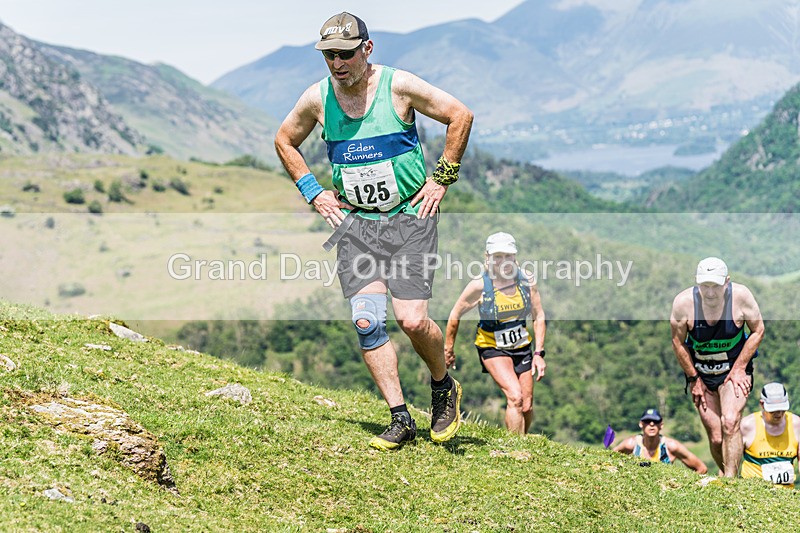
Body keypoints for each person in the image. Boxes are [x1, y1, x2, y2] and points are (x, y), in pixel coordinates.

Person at [274, 12, 473, 451]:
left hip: (408, 217)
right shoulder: (317, 99)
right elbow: (285, 140)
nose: (337, 63)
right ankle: (400, 417)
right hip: (356, 223)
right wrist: (313, 191)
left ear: (367, 48)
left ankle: (443, 386)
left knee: (412, 319)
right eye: (328, 55)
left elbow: (460, 115)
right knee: (366, 320)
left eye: (345, 54)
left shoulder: (398, 86)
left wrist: (442, 177)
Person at [670, 257, 765, 476]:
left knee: (730, 421)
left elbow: (758, 330)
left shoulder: (741, 297)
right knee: (715, 436)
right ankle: (724, 475)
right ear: (697, 283)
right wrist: (694, 379)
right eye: (705, 286)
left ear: (727, 282)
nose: (710, 292)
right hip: (702, 373)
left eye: (716, 286)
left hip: (733, 370)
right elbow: (677, 342)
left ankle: (731, 481)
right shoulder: (683, 303)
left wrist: (740, 367)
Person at [444, 232, 546, 435]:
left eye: (508, 256)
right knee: (515, 397)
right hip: (492, 346)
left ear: (515, 256)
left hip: (522, 346)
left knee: (526, 406)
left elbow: (539, 315)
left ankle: (522, 441)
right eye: (498, 256)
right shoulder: (479, 285)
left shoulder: (526, 281)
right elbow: (455, 313)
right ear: (488, 257)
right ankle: (515, 448)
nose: (503, 261)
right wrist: (448, 349)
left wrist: (539, 354)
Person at [741, 382, 800, 488]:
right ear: (762, 404)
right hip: (752, 491)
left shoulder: (796, 425)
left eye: (782, 409)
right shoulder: (747, 425)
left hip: (787, 493)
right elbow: (730, 461)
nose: (778, 413)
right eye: (773, 410)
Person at [613, 408, 708, 473]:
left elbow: (702, 468)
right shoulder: (631, 444)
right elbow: (607, 460)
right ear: (641, 424)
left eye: (655, 421)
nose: (651, 424)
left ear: (661, 425)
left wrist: (684, 487)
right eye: (647, 421)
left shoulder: (671, 446)